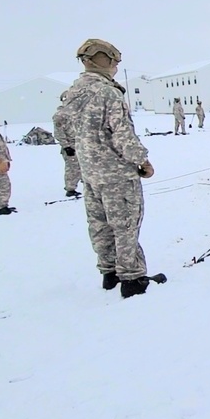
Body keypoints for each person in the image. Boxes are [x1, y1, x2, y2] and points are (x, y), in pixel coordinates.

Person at [56, 38, 155, 298]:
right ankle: (132, 279)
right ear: (104, 60)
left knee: (100, 224)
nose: (116, 66)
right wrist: (142, 161)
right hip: (116, 172)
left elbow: (62, 126)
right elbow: (121, 134)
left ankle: (109, 273)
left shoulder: (74, 93)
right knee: (125, 225)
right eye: (114, 61)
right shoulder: (107, 92)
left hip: (90, 173)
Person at [52, 90, 82, 198]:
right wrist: (66, 146)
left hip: (80, 144)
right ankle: (70, 188)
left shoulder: (76, 113)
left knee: (82, 167)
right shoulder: (60, 115)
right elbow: (59, 133)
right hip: (71, 146)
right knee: (73, 168)